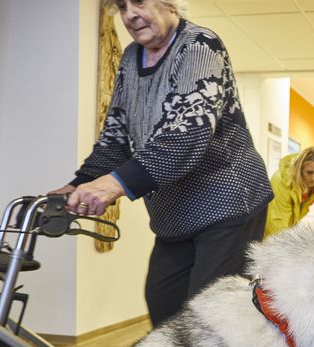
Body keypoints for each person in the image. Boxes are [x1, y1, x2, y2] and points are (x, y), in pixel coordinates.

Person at [50, 0, 273, 327]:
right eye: (122, 6)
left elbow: (187, 134)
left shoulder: (199, 45)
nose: (129, 15)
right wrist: (80, 183)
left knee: (210, 317)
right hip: (174, 215)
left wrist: (114, 185)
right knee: (163, 304)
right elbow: (116, 134)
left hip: (228, 205)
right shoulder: (130, 59)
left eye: (138, 2)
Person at [264, 146, 314, 238]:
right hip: (268, 235)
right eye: (309, 172)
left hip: (282, 234)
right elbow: (277, 223)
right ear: (299, 170)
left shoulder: (310, 188)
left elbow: (293, 220)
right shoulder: (283, 182)